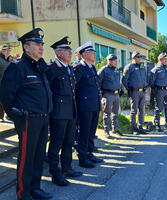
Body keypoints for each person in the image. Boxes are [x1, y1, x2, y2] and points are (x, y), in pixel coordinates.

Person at [0, 28, 53, 200]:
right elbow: (6, 95)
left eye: (41, 45)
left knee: (38, 157)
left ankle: (35, 188)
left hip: (43, 119)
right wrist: (16, 115)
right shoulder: (17, 67)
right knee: (26, 158)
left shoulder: (39, 67)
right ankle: (23, 193)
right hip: (28, 120)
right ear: (26, 47)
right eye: (37, 44)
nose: (41, 48)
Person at [46, 36, 82, 186]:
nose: (70, 53)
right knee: (56, 144)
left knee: (68, 142)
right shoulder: (52, 69)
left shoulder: (69, 68)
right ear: (58, 52)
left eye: (71, 50)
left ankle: (67, 168)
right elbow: (48, 92)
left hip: (71, 111)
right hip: (58, 113)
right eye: (67, 50)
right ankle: (55, 173)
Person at [74, 41, 102, 169]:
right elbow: (75, 88)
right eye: (92, 52)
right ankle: (82, 157)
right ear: (84, 54)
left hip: (94, 105)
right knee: (84, 132)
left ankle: (90, 153)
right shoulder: (79, 68)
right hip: (84, 106)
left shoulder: (92, 68)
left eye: (95, 52)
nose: (95, 54)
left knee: (91, 132)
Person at [122, 51, 148, 135]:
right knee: (134, 111)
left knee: (142, 110)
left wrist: (145, 86)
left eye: (140, 56)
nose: (140, 58)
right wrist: (129, 89)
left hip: (142, 92)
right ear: (133, 58)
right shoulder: (129, 67)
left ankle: (140, 126)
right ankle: (134, 128)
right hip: (134, 92)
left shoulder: (142, 67)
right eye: (138, 57)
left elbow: (145, 78)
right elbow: (124, 80)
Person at [98, 54, 123, 138]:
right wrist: (101, 94)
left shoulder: (116, 70)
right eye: (115, 61)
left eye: (117, 61)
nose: (116, 62)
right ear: (109, 61)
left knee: (115, 113)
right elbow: (98, 82)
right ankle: (106, 131)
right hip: (107, 94)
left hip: (116, 94)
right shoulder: (104, 70)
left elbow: (118, 81)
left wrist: (120, 89)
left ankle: (115, 129)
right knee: (107, 113)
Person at [150, 53, 167, 132]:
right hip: (159, 90)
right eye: (164, 59)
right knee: (158, 108)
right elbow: (152, 81)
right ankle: (157, 124)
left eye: (166, 59)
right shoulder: (155, 69)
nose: (166, 60)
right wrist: (156, 89)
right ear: (160, 60)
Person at [0, 44, 11, 122]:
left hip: (7, 85)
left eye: (9, 50)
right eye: (5, 50)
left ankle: (7, 116)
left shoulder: (8, 60)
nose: (8, 51)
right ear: (1, 51)